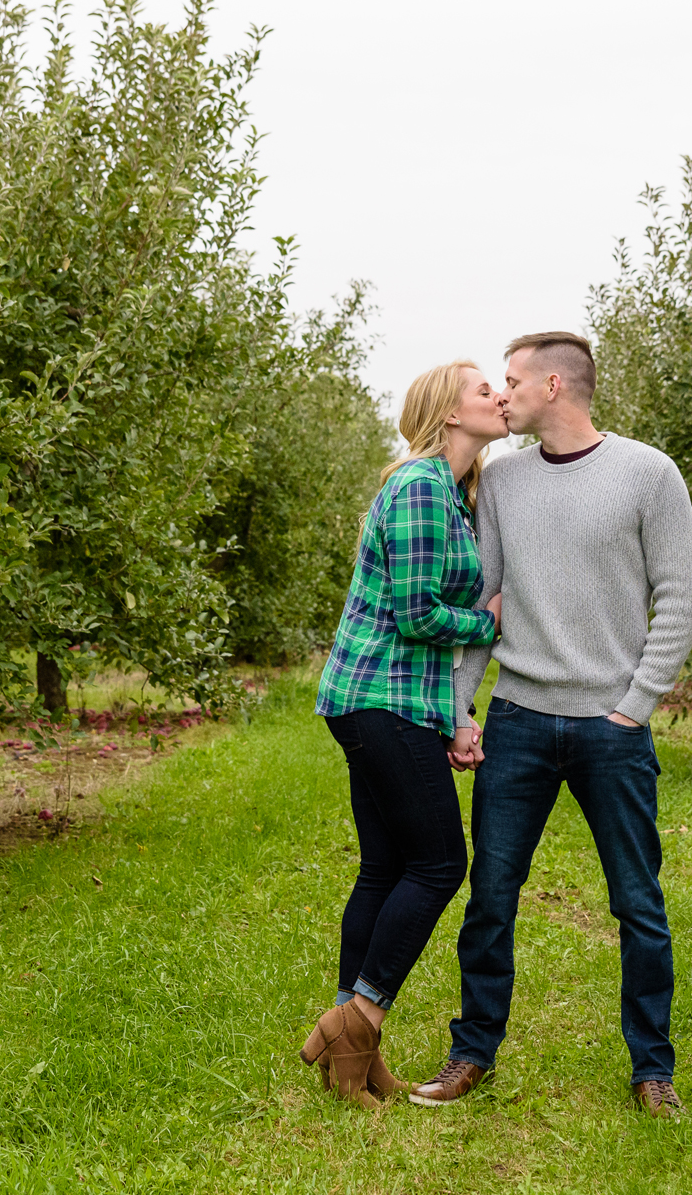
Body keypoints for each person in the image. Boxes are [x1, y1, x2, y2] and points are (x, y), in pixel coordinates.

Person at [407, 330, 692, 1119]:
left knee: (637, 901)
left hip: (612, 727)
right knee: (491, 896)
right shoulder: (503, 480)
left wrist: (633, 705)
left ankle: (652, 1069)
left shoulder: (648, 473)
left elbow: (683, 599)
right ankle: (472, 1052)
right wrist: (462, 707)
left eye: (511, 381)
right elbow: (486, 600)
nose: (503, 395)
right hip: (520, 721)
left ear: (553, 386)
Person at [299, 359, 509, 1106]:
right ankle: (353, 1022)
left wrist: (456, 715)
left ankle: (353, 1054)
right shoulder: (421, 486)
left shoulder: (451, 495)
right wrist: (490, 618)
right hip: (379, 699)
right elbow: (419, 616)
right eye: (486, 389)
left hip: (392, 700)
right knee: (439, 864)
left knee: (385, 867)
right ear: (450, 413)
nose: (500, 397)